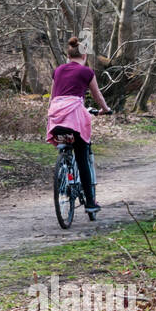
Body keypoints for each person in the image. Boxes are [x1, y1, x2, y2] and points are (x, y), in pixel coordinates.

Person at [46, 37, 111, 210]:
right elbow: (97, 95)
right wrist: (105, 109)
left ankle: (64, 183)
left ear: (68, 56)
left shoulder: (58, 71)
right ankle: (90, 203)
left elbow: (53, 97)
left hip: (55, 117)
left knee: (65, 147)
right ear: (84, 57)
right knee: (82, 156)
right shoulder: (87, 72)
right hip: (74, 116)